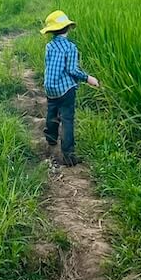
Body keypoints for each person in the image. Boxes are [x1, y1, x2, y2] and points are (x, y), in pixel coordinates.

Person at [40, 9, 99, 166]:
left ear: (52, 30)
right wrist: (88, 78)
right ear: (67, 28)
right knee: (67, 119)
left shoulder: (49, 46)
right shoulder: (70, 48)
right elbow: (72, 70)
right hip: (66, 89)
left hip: (50, 87)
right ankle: (68, 156)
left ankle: (51, 140)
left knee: (52, 112)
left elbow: (48, 66)